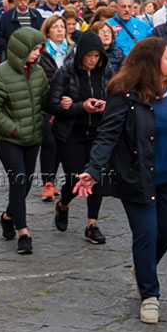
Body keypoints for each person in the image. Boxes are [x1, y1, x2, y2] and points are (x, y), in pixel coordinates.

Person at [76, 38, 167, 324]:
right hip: (137, 177)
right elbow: (107, 135)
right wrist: (93, 169)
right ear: (152, 63)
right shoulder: (125, 96)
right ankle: (149, 294)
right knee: (146, 233)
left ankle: (143, 267)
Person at [0, 25, 51, 256]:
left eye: (40, 49)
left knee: (26, 183)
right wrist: (14, 130)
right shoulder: (1, 73)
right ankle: (23, 233)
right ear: (22, 48)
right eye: (35, 49)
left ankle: (8, 216)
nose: (38, 53)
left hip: (33, 136)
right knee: (19, 180)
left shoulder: (39, 72)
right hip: (8, 138)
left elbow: (44, 101)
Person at [49, 31, 112, 245]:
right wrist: (80, 106)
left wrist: (106, 106)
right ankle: (63, 204)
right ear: (81, 55)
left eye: (97, 56)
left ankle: (92, 225)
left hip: (98, 132)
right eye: (89, 56)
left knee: (96, 176)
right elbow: (52, 105)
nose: (93, 60)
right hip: (71, 133)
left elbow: (116, 98)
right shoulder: (66, 72)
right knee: (75, 177)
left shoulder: (106, 71)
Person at [35, 14, 74, 204]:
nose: (59, 30)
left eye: (62, 27)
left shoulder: (72, 51)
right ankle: (48, 182)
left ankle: (56, 179)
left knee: (61, 142)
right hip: (46, 104)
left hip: (67, 103)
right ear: (48, 30)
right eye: (55, 27)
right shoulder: (42, 52)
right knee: (49, 141)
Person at [0, 0, 46, 68]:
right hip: (13, 57)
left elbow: (41, 33)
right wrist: (10, 48)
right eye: (20, 0)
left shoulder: (36, 15)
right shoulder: (6, 16)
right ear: (14, 0)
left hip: (34, 56)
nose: (23, 2)